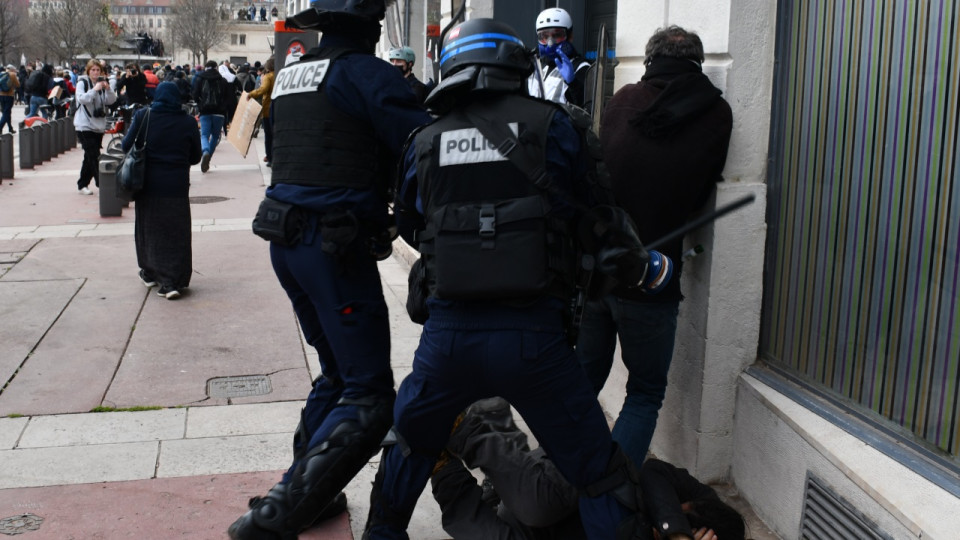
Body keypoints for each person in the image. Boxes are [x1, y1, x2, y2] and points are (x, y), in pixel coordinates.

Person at [363, 18, 647, 540]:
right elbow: (596, 213)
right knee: (599, 473)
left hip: (447, 341)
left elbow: (407, 224)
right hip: (536, 340)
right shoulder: (556, 125)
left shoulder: (424, 140)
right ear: (515, 65)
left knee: (412, 443)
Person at [225, 0, 431, 538]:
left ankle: (305, 491)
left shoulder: (291, 74)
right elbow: (423, 146)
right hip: (332, 246)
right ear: (369, 26)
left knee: (338, 375)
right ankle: (274, 517)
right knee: (369, 394)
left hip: (286, 242)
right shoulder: (368, 73)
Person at [576, 26, 734, 467]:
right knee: (644, 394)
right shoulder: (717, 113)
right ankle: (615, 495)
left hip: (599, 269)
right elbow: (702, 192)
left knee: (581, 381)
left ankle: (557, 476)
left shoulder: (623, 99)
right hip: (654, 275)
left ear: (649, 61)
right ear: (698, 63)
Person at [431, 399, 747, 540]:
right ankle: (471, 426)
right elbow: (653, 473)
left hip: (551, 529)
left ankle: (442, 467)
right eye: (679, 512)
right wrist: (674, 531)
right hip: (573, 482)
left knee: (482, 529)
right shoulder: (704, 503)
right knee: (536, 506)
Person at [123, 82, 202, 300]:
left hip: (147, 185)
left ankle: (149, 272)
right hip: (176, 186)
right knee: (176, 233)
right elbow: (195, 157)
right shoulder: (187, 122)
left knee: (148, 230)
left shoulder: (143, 116)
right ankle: (172, 281)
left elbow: (125, 145)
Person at [528, 7, 591, 107]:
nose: (550, 42)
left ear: (570, 36)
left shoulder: (581, 68)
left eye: (557, 35)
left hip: (561, 122)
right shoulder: (535, 65)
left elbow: (587, 110)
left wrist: (573, 84)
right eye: (544, 36)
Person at [73, 60, 118, 195]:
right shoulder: (83, 83)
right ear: (88, 71)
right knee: (94, 156)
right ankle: (103, 184)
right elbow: (82, 99)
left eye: (98, 70)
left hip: (98, 125)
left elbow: (111, 100)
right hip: (84, 125)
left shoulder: (103, 84)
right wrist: (94, 89)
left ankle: (82, 184)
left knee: (89, 157)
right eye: (92, 70)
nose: (95, 72)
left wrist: (108, 89)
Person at [190, 60, 230, 173]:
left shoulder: (200, 79)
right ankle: (208, 158)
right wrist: (224, 108)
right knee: (215, 136)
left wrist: (200, 105)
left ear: (206, 68)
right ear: (216, 68)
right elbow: (228, 97)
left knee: (204, 135)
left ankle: (205, 151)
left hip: (205, 112)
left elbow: (195, 94)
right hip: (219, 113)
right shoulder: (223, 80)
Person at [244, 57, 274, 166]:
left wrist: (251, 94)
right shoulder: (280, 74)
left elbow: (263, 89)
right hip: (278, 108)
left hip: (267, 109)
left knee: (268, 135)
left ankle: (270, 157)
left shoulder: (268, 76)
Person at [0, 65, 20, 134]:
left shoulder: (1, 74)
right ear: (12, 69)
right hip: (9, 95)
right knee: (6, 112)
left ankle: (10, 128)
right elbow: (18, 85)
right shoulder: (12, 74)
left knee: (6, 112)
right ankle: (0, 127)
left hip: (1, 95)